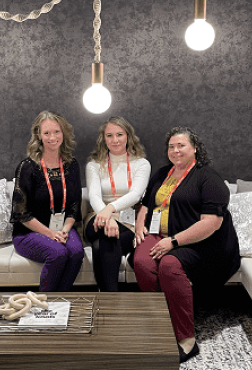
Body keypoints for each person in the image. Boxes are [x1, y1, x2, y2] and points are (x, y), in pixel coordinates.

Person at [133, 127, 241, 363]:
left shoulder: (209, 178)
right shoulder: (163, 173)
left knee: (169, 266)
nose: (175, 150)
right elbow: (145, 204)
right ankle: (162, 322)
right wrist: (140, 225)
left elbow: (211, 223)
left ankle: (186, 339)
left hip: (200, 242)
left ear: (194, 148)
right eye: (171, 146)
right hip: (161, 234)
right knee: (141, 261)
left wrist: (172, 242)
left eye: (181, 145)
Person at [10, 111, 84, 292]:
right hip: (28, 233)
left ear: (64, 133)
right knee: (58, 252)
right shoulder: (27, 167)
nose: (52, 137)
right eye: (47, 133)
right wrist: (51, 234)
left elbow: (74, 205)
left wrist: (65, 230)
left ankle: (60, 300)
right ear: (38, 136)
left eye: (57, 132)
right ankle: (44, 302)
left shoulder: (71, 165)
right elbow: (21, 214)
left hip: (62, 229)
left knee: (76, 252)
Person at [85, 116, 151, 291]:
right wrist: (107, 216)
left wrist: (111, 209)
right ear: (103, 138)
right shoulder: (94, 164)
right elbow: (94, 196)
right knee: (107, 233)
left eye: (119, 134)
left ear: (128, 136)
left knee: (103, 244)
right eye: (109, 135)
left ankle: (107, 297)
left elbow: (136, 194)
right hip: (97, 216)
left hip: (128, 221)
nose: (115, 140)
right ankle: (113, 298)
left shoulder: (141, 164)